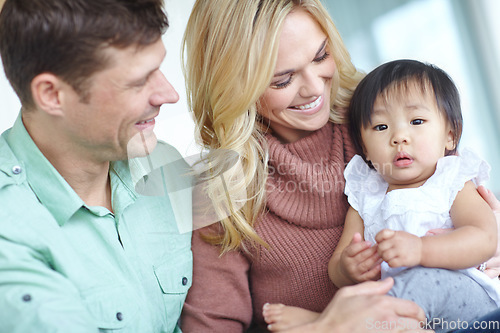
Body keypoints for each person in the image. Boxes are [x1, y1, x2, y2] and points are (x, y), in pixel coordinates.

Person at [181, 1, 435, 332]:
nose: (315, 88)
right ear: (234, 89)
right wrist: (324, 328)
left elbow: (463, 200)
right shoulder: (219, 192)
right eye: (282, 80)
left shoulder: (382, 117)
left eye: (320, 56)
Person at [263, 60, 500, 333]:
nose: (399, 137)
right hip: (404, 313)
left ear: (450, 134)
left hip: (468, 302)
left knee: (419, 282)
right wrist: (350, 267)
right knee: (359, 298)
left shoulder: (450, 181)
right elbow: (337, 265)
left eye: (417, 121)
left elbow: (485, 238)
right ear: (363, 145)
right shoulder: (367, 193)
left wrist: (422, 250)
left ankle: (321, 326)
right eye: (381, 127)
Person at [0, 0, 192, 332]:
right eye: (137, 81)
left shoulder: (163, 164)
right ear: (52, 95)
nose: (169, 94)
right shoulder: (9, 233)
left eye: (159, 69)